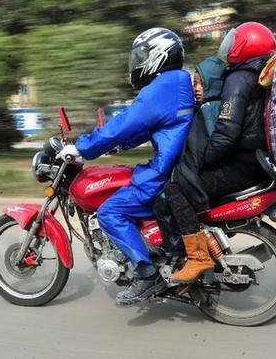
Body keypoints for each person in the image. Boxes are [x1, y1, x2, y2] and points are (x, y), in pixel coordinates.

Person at [57, 27, 194, 305]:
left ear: (159, 55)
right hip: (175, 168)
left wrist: (82, 147)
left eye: (143, 55)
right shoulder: (176, 82)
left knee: (110, 212)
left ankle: (146, 274)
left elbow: (127, 122)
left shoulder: (162, 87)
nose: (138, 62)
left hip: (162, 173)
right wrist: (121, 145)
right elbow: (149, 126)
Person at [164, 22, 276, 283]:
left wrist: (203, 161)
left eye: (234, 40)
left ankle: (198, 257)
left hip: (242, 164)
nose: (228, 46)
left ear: (245, 45)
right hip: (253, 160)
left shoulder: (239, 79)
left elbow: (226, 130)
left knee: (176, 188)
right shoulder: (257, 75)